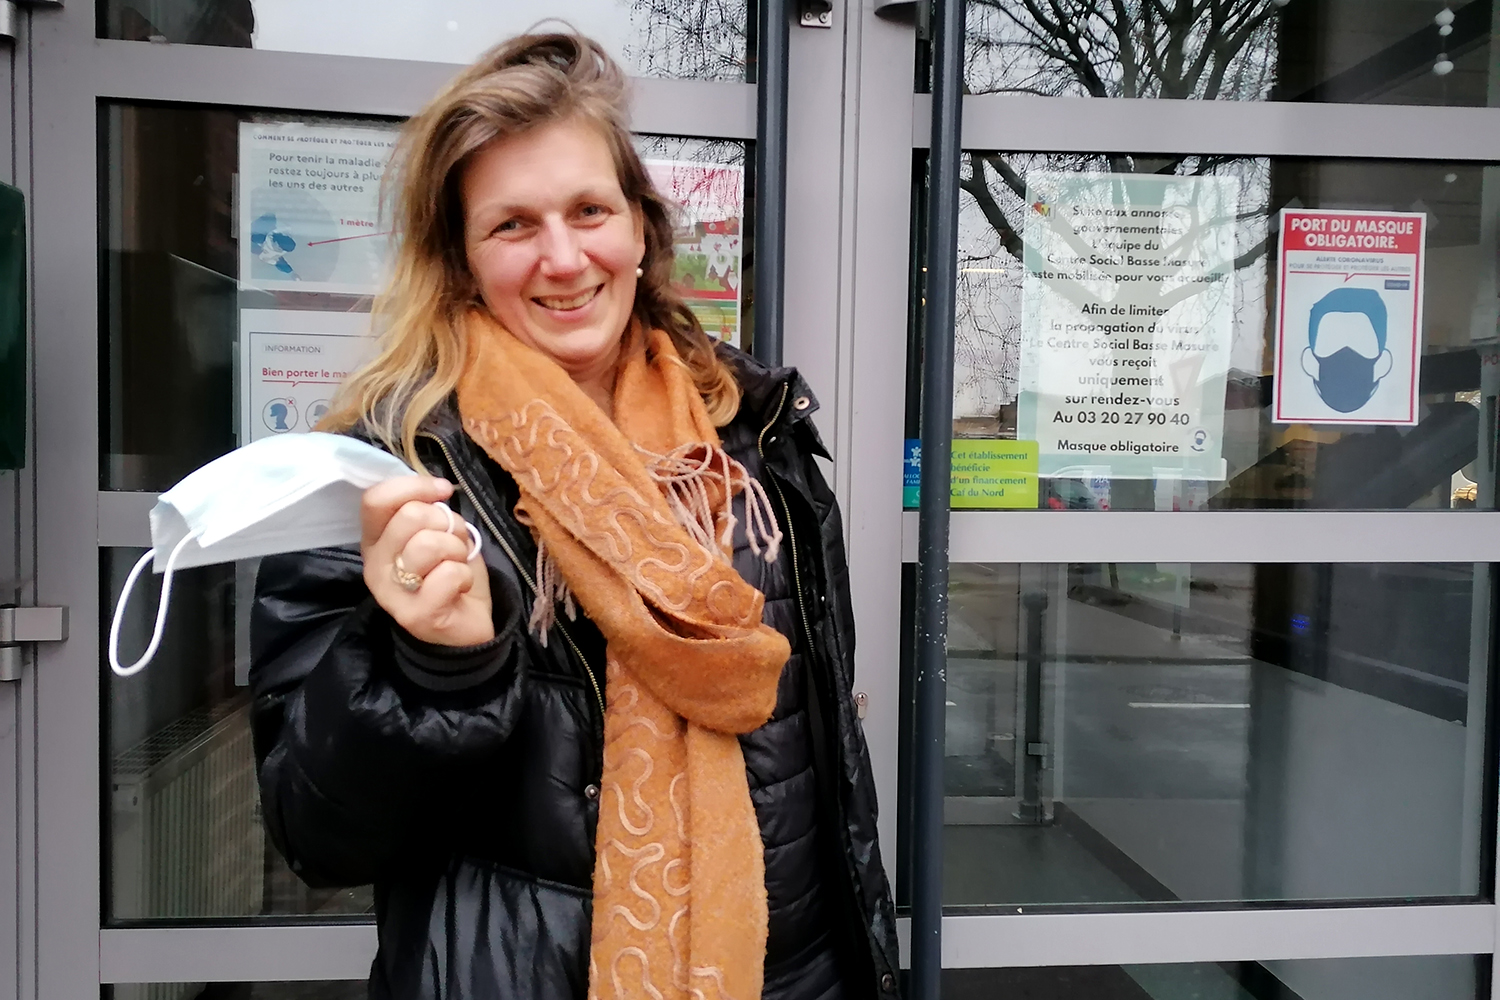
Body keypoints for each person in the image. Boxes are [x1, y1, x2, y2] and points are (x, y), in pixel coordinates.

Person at [249, 33, 899, 1000]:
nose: (564, 258)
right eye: (513, 225)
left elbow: (822, 766)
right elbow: (317, 833)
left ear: (640, 228)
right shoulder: (391, 472)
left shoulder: (755, 437)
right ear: (462, 260)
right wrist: (436, 669)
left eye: (590, 210)